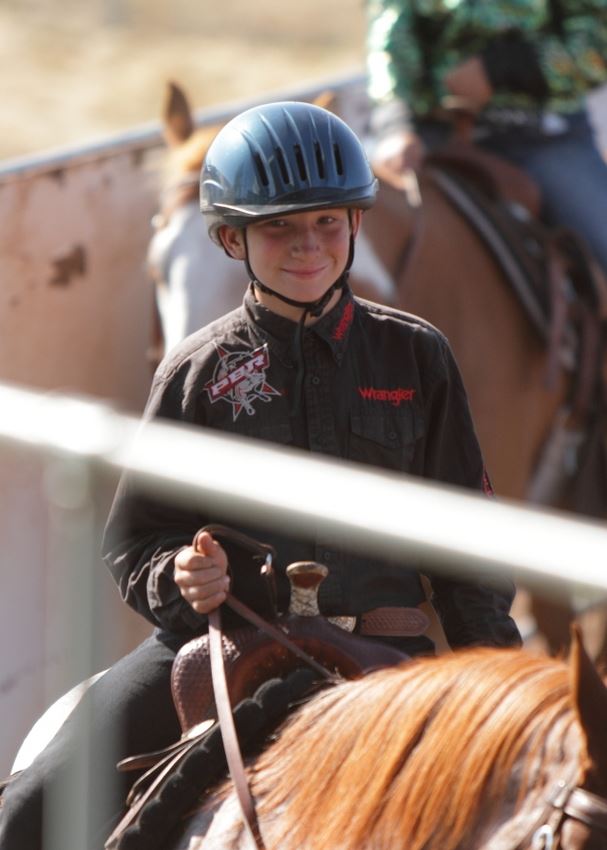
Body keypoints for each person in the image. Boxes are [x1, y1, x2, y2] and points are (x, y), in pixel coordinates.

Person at [0, 101, 521, 850]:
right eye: (277, 226)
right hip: (223, 646)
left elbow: (470, 549)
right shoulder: (196, 372)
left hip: (389, 657)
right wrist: (178, 579)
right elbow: (136, 538)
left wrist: (497, 672)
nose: (306, 245)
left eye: (326, 223)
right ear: (229, 237)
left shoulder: (418, 357)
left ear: (355, 226)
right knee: (30, 812)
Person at [366, 0, 607, 276]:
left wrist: (503, 68)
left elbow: (595, 46)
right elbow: (389, 42)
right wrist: (395, 124)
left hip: (544, 135)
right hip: (436, 137)